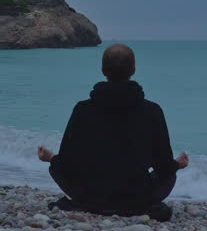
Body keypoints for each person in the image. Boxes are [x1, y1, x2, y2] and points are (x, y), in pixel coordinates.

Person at [37, 43, 189, 221]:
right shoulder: (152, 110)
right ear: (133, 69)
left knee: (57, 167)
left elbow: (68, 164)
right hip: (137, 197)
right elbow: (163, 167)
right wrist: (178, 164)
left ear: (103, 70)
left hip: (90, 195)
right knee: (168, 175)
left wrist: (51, 158)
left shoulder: (82, 109)